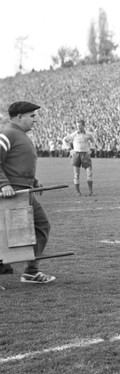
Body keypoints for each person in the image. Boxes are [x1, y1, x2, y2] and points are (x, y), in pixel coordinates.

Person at [0, 101, 55, 283]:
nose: (35, 120)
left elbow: (16, 163)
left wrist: (33, 181)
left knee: (38, 227)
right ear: (19, 117)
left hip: (23, 191)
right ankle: (29, 270)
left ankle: (31, 270)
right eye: (32, 116)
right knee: (9, 235)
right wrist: (3, 184)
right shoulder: (7, 133)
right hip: (12, 193)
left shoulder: (19, 135)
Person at [62, 119, 96, 196]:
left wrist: (91, 149)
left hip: (85, 154)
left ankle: (91, 191)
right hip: (76, 155)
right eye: (77, 126)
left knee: (89, 173)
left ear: (83, 126)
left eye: (80, 126)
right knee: (76, 174)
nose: (78, 127)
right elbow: (64, 140)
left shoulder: (88, 134)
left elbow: (93, 141)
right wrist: (70, 149)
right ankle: (78, 192)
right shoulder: (74, 134)